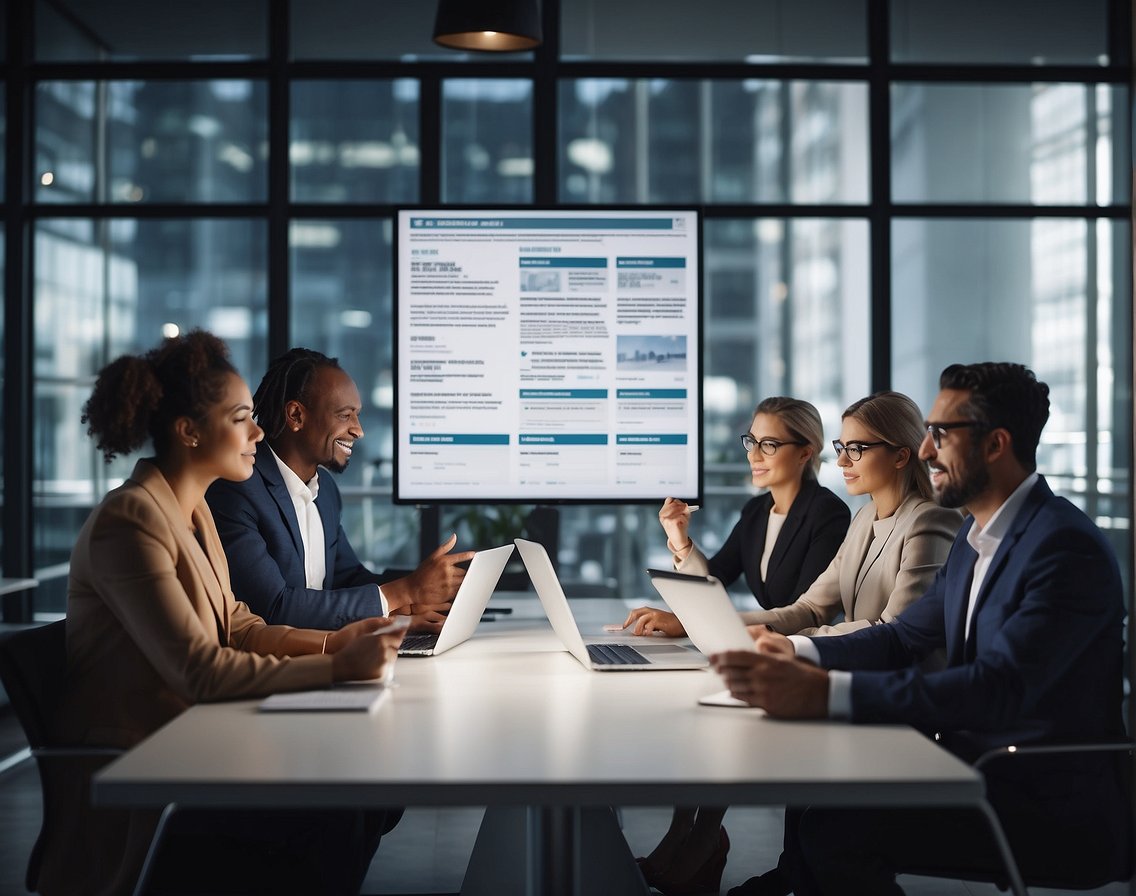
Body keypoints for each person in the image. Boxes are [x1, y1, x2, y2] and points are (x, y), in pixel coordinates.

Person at [712, 363, 1131, 896]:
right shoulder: (975, 538)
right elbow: (903, 636)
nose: (926, 450)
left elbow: (997, 688)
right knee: (825, 812)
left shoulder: (1063, 548)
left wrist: (825, 693)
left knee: (835, 830)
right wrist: (795, 653)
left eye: (941, 434)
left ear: (996, 444)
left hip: (1043, 798)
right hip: (970, 759)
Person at [50, 331, 407, 896]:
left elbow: (239, 625)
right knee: (345, 804)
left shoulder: (193, 513)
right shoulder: (130, 521)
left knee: (370, 793)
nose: (259, 432)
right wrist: (338, 667)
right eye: (242, 419)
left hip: (199, 741)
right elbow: (201, 670)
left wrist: (336, 643)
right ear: (189, 432)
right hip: (152, 771)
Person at [633, 392, 962, 895]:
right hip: (852, 677)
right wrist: (725, 625)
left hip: (896, 701)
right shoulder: (864, 519)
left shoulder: (928, 520)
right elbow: (809, 607)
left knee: (754, 719)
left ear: (901, 455)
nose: (843, 460)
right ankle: (784, 868)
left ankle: (759, 862)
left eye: (857, 449)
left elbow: (894, 630)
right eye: (842, 447)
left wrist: (790, 645)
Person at [207, 347, 475, 630]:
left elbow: (347, 579)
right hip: (275, 656)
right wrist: (405, 591)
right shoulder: (237, 491)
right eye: (345, 416)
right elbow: (274, 608)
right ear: (296, 415)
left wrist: (420, 594)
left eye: (357, 415)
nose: (358, 430)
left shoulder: (326, 493)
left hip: (329, 647)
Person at [623, 396, 850, 642]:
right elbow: (715, 579)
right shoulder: (756, 511)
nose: (754, 456)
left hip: (805, 648)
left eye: (769, 444)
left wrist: (691, 624)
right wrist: (680, 541)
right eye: (752, 442)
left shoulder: (828, 513)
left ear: (804, 453)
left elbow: (804, 613)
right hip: (765, 645)